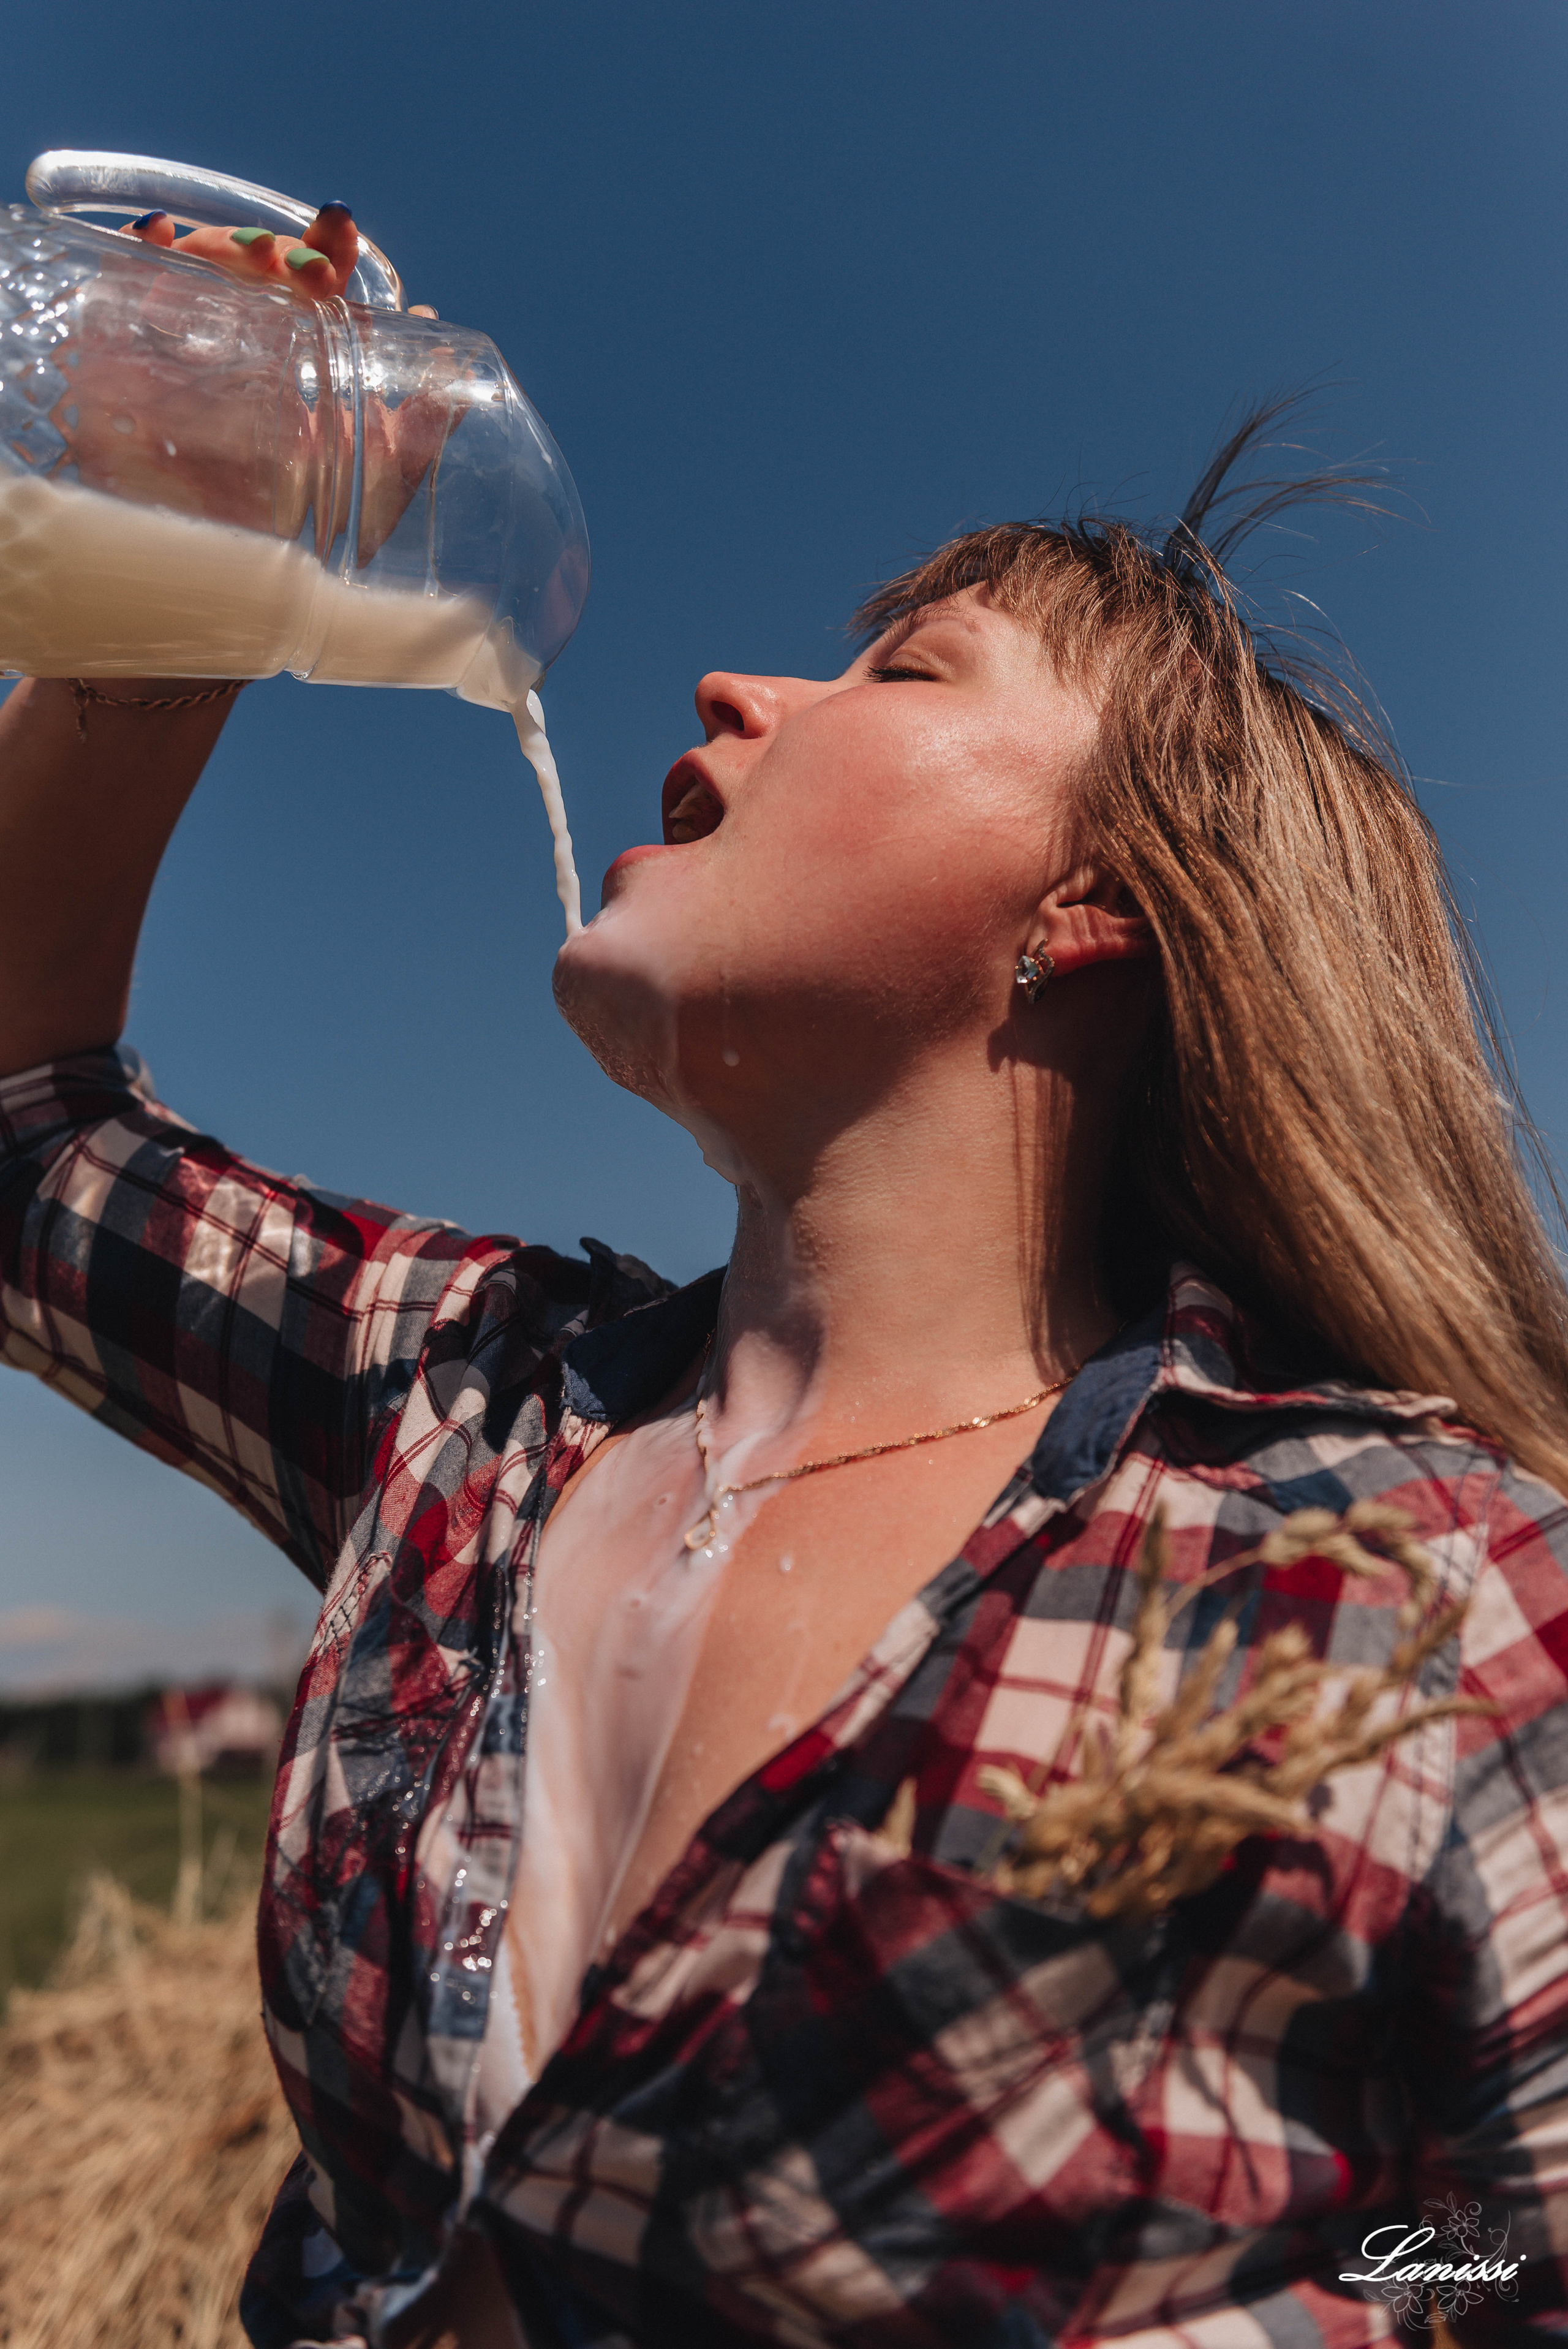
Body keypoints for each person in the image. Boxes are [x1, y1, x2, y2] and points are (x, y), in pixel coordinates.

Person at [2, 213, 1567, 2349]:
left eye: (906, 668)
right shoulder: (468, 1399)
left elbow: (1510, 2246)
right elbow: (22, 1129)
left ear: (1099, 900)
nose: (739, 686)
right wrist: (182, 556)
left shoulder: (1408, 1581)